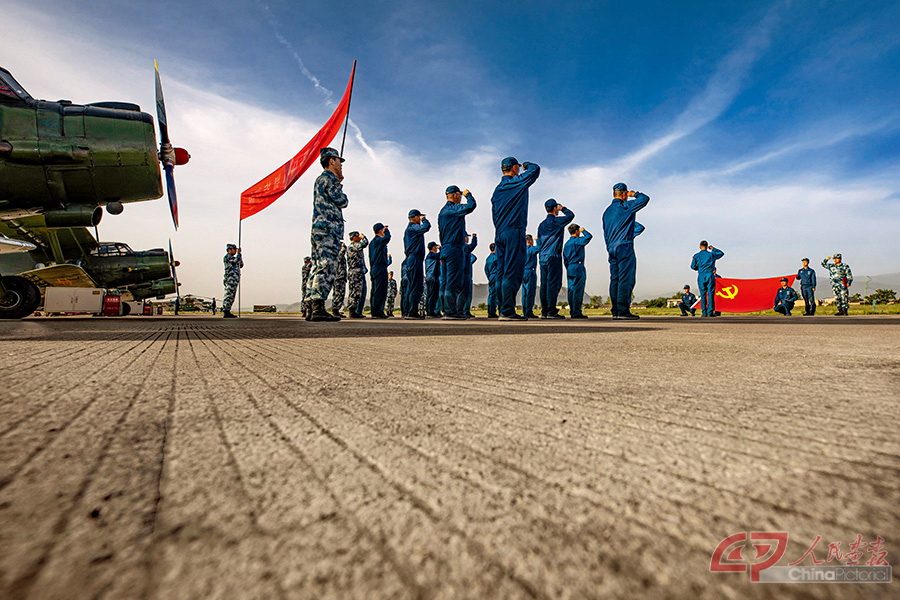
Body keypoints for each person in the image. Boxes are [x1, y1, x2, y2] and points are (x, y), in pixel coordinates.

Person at [491, 157, 541, 320]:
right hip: (514, 231)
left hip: (499, 232)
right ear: (513, 168)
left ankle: (502, 309)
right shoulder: (516, 183)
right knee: (512, 272)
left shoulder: (497, 190)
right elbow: (535, 169)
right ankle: (507, 310)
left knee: (501, 272)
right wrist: (526, 164)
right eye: (517, 167)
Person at [305, 147, 347, 321]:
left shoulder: (321, 180)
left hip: (319, 229)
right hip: (328, 229)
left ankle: (310, 306)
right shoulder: (328, 179)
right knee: (326, 266)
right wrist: (338, 183)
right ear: (331, 161)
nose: (341, 165)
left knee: (316, 266)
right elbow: (342, 201)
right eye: (339, 161)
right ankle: (318, 307)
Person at [602, 183, 650, 320]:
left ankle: (616, 311)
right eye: (626, 194)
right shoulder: (625, 206)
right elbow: (645, 199)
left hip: (611, 248)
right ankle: (623, 310)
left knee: (615, 279)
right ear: (623, 194)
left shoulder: (607, 212)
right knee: (626, 279)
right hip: (624, 246)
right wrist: (634, 194)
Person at [438, 185, 477, 319]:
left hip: (447, 249)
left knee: (448, 281)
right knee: (452, 282)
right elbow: (471, 206)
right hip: (453, 249)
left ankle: (449, 309)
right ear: (454, 195)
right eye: (459, 195)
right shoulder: (452, 209)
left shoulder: (443, 211)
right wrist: (468, 194)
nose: (461, 197)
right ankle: (450, 312)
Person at [537, 199, 575, 319]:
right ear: (554, 208)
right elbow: (571, 215)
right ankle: (551, 311)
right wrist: (563, 208)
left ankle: (544, 311)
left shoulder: (541, 225)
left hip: (542, 255)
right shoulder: (557, 221)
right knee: (554, 284)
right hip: (553, 255)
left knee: (544, 284)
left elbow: (538, 240)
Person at [401, 209, 431, 319]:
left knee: (415, 285)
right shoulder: (413, 228)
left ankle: (410, 311)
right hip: (414, 258)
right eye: (419, 216)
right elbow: (426, 227)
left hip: (415, 258)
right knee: (414, 286)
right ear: (414, 217)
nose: (420, 218)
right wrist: (424, 219)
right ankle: (411, 311)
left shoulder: (412, 229)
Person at [563, 224, 592, 319]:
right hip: (578, 267)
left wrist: (569, 267)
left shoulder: (567, 244)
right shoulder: (578, 241)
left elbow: (565, 259)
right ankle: (576, 312)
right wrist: (584, 230)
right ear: (576, 231)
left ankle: (572, 311)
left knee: (571, 290)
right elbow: (589, 237)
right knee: (578, 290)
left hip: (570, 267)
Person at [690, 241, 725, 317]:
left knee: (702, 294)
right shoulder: (711, 254)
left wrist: (698, 268)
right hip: (710, 275)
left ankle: (704, 313)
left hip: (701, 275)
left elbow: (692, 267)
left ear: (700, 247)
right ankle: (710, 312)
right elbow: (721, 253)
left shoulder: (696, 256)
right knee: (710, 294)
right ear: (707, 246)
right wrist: (713, 249)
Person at [368, 223, 391, 318]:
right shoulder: (378, 241)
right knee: (379, 290)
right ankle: (377, 311)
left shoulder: (374, 242)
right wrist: (387, 231)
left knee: (376, 290)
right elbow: (387, 238)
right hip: (379, 268)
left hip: (377, 267)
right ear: (380, 231)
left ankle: (376, 310)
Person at [346, 231, 369, 318]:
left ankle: (356, 311)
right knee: (355, 292)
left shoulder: (355, 246)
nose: (359, 237)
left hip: (358, 272)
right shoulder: (354, 245)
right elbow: (365, 243)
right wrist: (363, 236)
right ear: (354, 237)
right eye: (357, 236)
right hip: (355, 272)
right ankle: (352, 311)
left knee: (359, 292)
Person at [521, 234, 540, 318]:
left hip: (522, 272)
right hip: (530, 271)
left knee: (524, 293)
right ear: (530, 241)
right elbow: (540, 247)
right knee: (530, 292)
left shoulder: (521, 250)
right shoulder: (531, 249)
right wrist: (538, 240)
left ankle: (524, 310)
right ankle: (529, 311)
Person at [222, 243, 242, 318]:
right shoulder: (227, 257)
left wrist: (240, 255)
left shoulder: (235, 257)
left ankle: (228, 310)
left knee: (232, 296)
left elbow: (241, 264)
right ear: (230, 250)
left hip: (234, 279)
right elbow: (236, 260)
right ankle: (226, 311)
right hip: (230, 279)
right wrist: (239, 254)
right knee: (228, 295)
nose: (236, 251)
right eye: (235, 249)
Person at [462, 233, 478, 318]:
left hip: (460, 273)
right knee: (466, 293)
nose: (467, 239)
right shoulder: (465, 247)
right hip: (465, 274)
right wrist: (474, 238)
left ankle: (461, 310)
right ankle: (464, 311)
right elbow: (473, 245)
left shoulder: (456, 247)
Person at [424, 242, 442, 317]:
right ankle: (430, 312)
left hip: (430, 276)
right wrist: (441, 248)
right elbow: (441, 254)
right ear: (433, 247)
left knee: (430, 295)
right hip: (432, 277)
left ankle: (430, 311)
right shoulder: (432, 255)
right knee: (432, 295)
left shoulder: (430, 256)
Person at [331, 242, 348, 318]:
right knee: (338, 294)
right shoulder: (337, 255)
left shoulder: (339, 255)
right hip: (338, 277)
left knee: (340, 294)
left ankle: (337, 310)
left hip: (341, 277)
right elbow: (343, 250)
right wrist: (343, 246)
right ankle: (335, 310)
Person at [485, 243, 500, 318]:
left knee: (491, 295)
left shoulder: (488, 258)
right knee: (499, 294)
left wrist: (489, 277)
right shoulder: (497, 258)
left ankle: (490, 311)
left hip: (491, 276)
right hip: (497, 275)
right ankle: (500, 311)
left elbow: (486, 270)